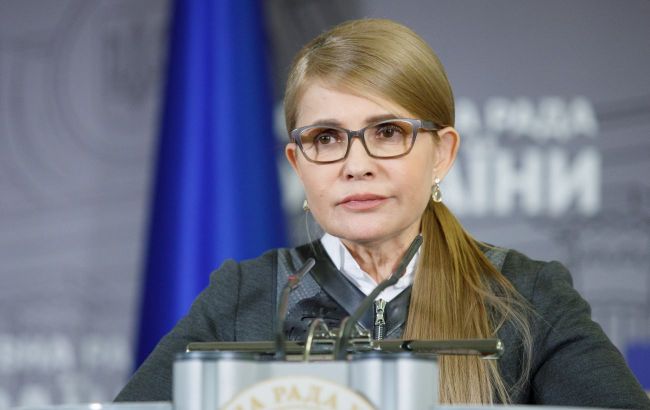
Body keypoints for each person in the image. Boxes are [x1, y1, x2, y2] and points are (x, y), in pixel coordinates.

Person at [115, 19, 650, 407]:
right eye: (326, 138)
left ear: (442, 153)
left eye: (388, 132)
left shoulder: (527, 296)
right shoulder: (243, 295)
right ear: (298, 164)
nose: (356, 166)